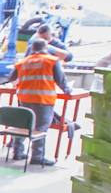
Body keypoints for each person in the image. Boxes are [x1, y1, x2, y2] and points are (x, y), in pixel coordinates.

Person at [6, 38, 71, 166]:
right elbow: (61, 80)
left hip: (24, 99)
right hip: (43, 100)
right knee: (40, 128)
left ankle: (17, 152)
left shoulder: (23, 62)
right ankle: (37, 156)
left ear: (32, 48)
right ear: (46, 48)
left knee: (23, 125)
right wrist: (68, 90)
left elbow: (11, 78)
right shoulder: (51, 61)